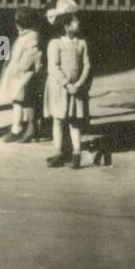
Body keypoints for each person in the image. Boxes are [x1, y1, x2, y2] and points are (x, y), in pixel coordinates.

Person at [45, 11, 93, 169]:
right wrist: (67, 83)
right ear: (66, 26)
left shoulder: (82, 43)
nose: (78, 23)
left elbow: (87, 65)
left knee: (75, 121)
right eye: (75, 21)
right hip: (59, 88)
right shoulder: (55, 44)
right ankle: (58, 152)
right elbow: (53, 67)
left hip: (76, 88)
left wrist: (79, 84)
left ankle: (77, 153)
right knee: (58, 120)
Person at [0, 8, 44, 143]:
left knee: (23, 100)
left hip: (25, 74)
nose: (16, 24)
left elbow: (31, 54)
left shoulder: (32, 36)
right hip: (18, 74)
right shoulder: (23, 35)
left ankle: (24, 128)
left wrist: (19, 68)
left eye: (18, 22)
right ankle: (17, 127)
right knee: (17, 101)